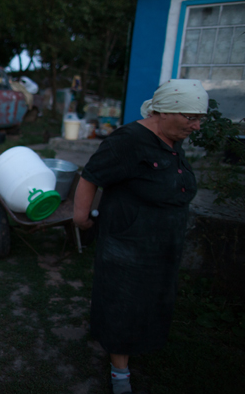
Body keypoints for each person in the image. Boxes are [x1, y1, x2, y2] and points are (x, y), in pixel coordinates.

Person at [73, 79, 208, 393]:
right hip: (129, 242)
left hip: (162, 241)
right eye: (191, 118)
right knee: (123, 301)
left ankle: (139, 344)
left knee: (152, 297)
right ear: (164, 112)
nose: (197, 126)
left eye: (200, 119)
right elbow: (90, 177)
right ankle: (120, 371)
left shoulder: (173, 137)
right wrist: (81, 219)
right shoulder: (128, 141)